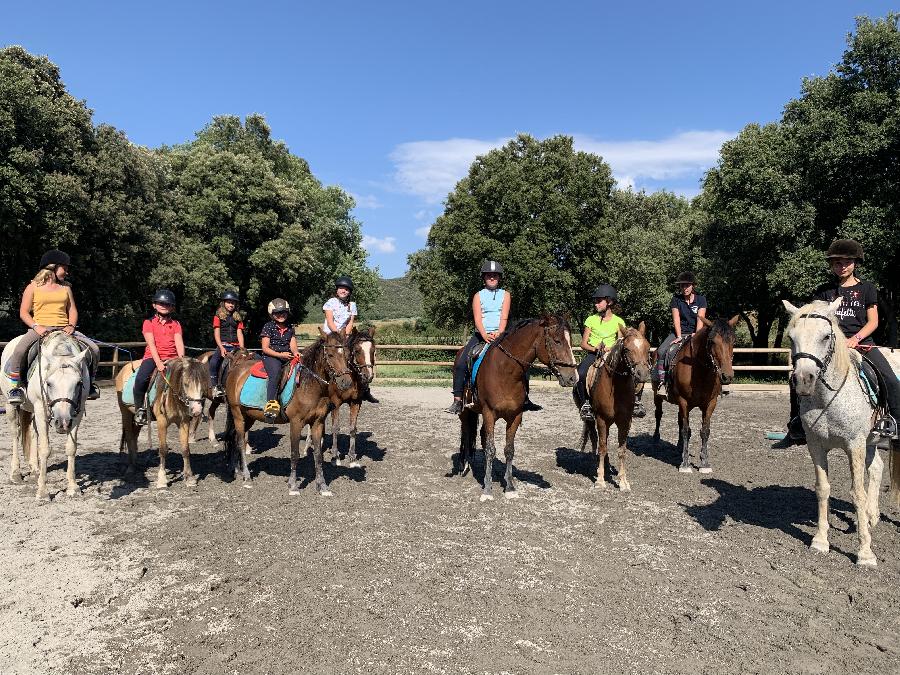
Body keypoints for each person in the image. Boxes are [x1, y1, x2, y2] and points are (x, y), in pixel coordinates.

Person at [787, 239, 900, 442]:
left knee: (890, 379)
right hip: (830, 346)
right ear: (832, 265)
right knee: (796, 377)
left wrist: (855, 339)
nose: (842, 267)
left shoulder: (867, 289)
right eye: (837, 263)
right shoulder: (824, 291)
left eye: (847, 262)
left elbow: (873, 322)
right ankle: (796, 423)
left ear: (855, 263)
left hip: (862, 343)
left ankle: (893, 422)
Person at [3, 250, 100, 406]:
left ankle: (91, 385)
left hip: (65, 329)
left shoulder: (66, 288)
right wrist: (37, 327)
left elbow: (72, 310)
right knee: (20, 351)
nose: (67, 272)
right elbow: (23, 312)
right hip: (41, 329)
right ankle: (15, 388)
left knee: (94, 349)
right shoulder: (33, 287)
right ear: (52, 268)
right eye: (65, 268)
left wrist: (71, 325)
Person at [445, 260, 541, 415]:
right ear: (484, 277)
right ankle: (457, 399)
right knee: (462, 361)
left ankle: (525, 398)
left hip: (502, 333)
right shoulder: (478, 296)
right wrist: (484, 334)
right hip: (481, 334)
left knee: (522, 362)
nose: (492, 277)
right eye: (489, 275)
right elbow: (477, 318)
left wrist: (500, 332)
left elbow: (504, 316)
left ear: (499, 277)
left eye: (495, 275)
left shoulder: (506, 295)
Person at [322, 276, 378, 403]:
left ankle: (364, 388)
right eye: (341, 288)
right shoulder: (331, 302)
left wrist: (346, 336)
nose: (344, 291)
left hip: (345, 336)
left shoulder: (352, 305)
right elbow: (330, 321)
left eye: (347, 289)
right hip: (331, 335)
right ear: (337, 290)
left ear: (349, 292)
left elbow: (350, 323)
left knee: (358, 357)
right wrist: (338, 335)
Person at [575, 285, 626, 421]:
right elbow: (583, 343)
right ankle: (585, 404)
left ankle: (635, 401)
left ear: (609, 302)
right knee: (580, 374)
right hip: (594, 354)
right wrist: (596, 349)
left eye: (599, 301)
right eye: (595, 301)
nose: (596, 304)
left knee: (629, 373)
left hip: (611, 355)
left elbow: (621, 342)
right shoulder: (591, 320)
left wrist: (611, 349)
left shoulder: (619, 322)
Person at [134, 289, 184, 426]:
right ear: (154, 305)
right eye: (160, 303)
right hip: (152, 357)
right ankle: (140, 410)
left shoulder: (176, 324)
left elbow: (179, 343)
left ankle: (188, 407)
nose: (163, 305)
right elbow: (151, 344)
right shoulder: (148, 323)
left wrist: (182, 359)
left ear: (172, 307)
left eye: (167, 304)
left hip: (173, 358)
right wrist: (158, 362)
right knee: (141, 379)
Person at [654, 271, 708, 397]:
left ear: (693, 286)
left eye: (687, 285)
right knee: (662, 351)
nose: (685, 288)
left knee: (712, 349)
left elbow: (701, 319)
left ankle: (719, 382)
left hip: (696, 333)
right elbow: (676, 319)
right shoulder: (676, 300)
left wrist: (697, 335)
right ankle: (662, 382)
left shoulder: (701, 300)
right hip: (679, 332)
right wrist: (679, 336)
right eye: (682, 286)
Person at [260, 298, 301, 422]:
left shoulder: (289, 328)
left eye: (283, 312)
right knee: (276, 373)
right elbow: (265, 348)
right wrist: (280, 355)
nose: (281, 315)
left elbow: (293, 345)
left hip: (286, 355)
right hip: (271, 356)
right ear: (272, 314)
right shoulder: (268, 327)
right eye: (277, 313)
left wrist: (296, 353)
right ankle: (270, 406)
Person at [209, 290, 245, 399]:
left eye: (233, 303)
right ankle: (215, 386)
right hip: (223, 344)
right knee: (214, 362)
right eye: (229, 302)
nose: (231, 305)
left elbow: (239, 333)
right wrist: (221, 347)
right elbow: (217, 333)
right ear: (223, 303)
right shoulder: (218, 317)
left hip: (236, 346)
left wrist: (242, 348)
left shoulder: (237, 317)